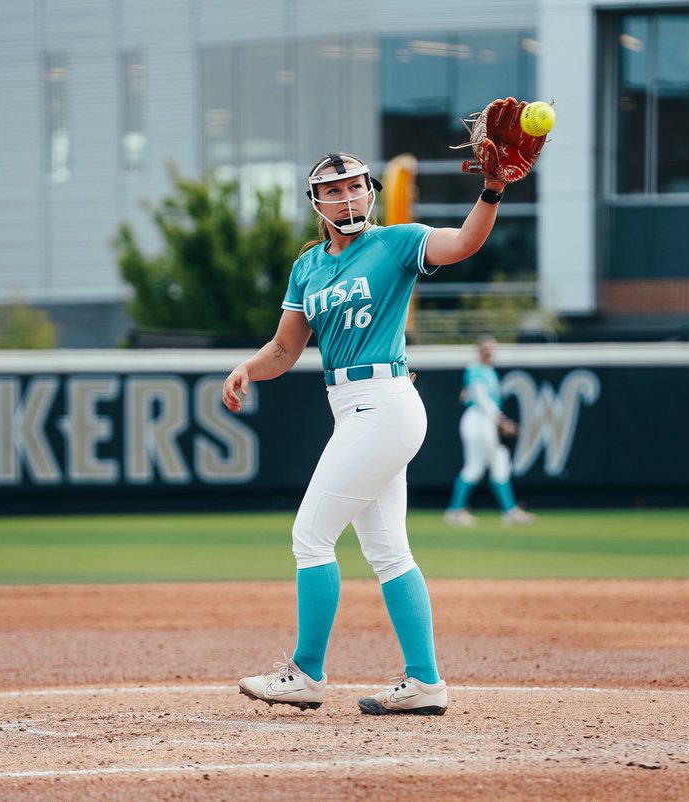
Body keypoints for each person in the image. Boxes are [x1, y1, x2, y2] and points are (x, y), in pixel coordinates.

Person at [222, 151, 509, 716]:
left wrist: (493, 190)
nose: (348, 197)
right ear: (317, 203)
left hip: (386, 402)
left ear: (370, 191)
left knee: (310, 536)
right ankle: (425, 682)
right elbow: (285, 349)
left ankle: (306, 673)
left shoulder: (395, 243)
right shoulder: (308, 267)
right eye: (335, 190)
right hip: (351, 405)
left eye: (356, 186)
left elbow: (463, 244)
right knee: (388, 551)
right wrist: (248, 368)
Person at [443, 336, 537, 527]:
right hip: (478, 421)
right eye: (485, 349)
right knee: (477, 466)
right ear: (478, 351)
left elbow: (471, 394)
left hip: (485, 421)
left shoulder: (488, 371)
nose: (489, 352)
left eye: (492, 349)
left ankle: (508, 511)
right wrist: (500, 419)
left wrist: (497, 418)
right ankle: (456, 511)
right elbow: (480, 397)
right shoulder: (475, 369)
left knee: (498, 463)